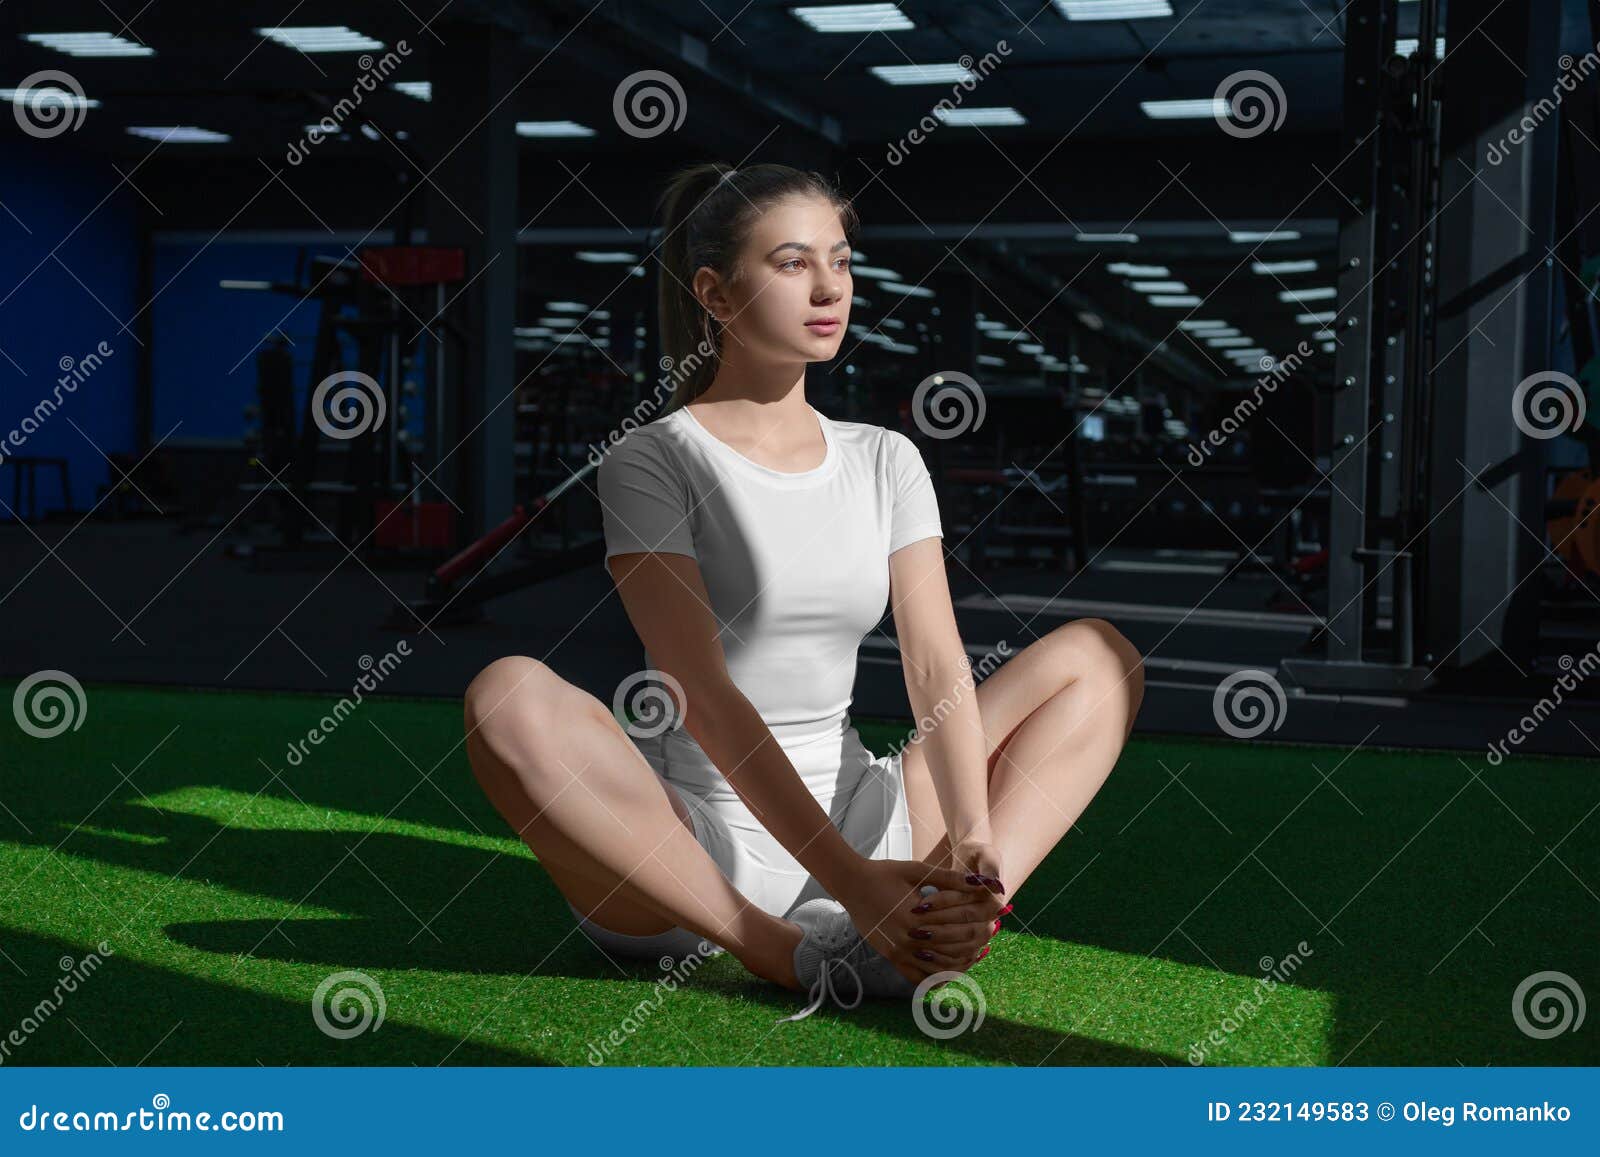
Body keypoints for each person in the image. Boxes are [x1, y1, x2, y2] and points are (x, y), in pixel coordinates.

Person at [463, 162, 1144, 1018]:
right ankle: (778, 950)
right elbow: (704, 695)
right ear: (715, 293)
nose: (829, 287)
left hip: (869, 811)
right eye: (792, 263)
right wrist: (852, 885)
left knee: (1099, 659)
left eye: (842, 260)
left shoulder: (886, 456)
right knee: (506, 695)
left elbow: (935, 663)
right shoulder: (653, 459)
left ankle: (955, 918)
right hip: (703, 856)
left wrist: (973, 837)